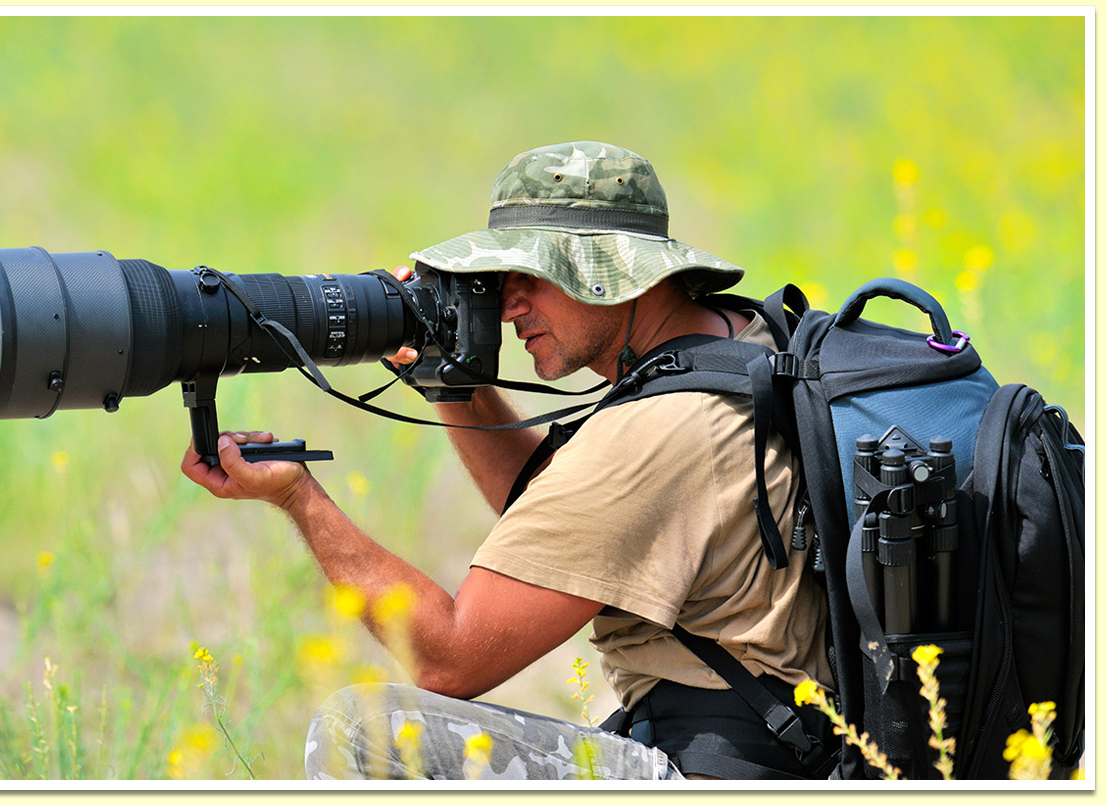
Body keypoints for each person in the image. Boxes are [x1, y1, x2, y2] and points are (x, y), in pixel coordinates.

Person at [181, 141, 837, 780]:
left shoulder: (651, 431)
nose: (510, 302)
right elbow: (571, 515)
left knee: (361, 731)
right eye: (502, 280)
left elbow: (450, 656)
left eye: (533, 274)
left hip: (728, 776)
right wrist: (451, 383)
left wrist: (300, 498)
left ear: (608, 269)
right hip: (794, 750)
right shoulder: (738, 340)